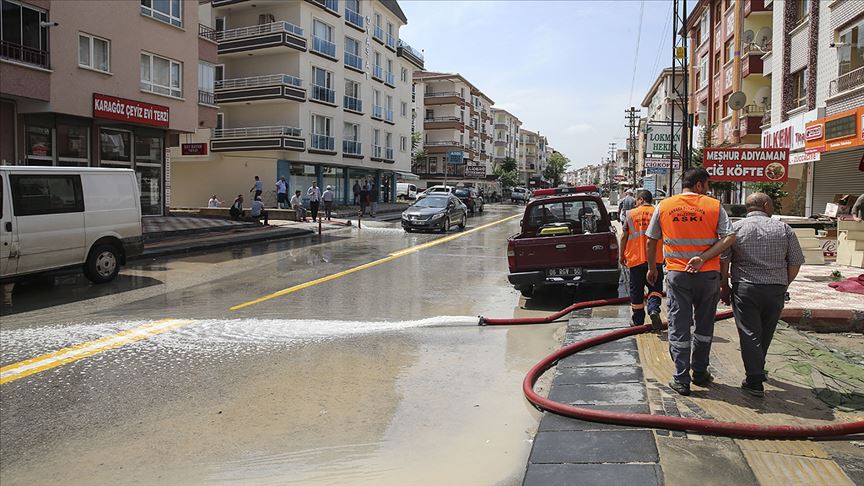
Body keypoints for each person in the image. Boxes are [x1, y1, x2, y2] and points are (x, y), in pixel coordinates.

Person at [646, 168, 736, 396]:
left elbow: (651, 240)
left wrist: (652, 268)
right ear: (698, 185)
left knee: (679, 324)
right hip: (708, 275)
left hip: (677, 275)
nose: (708, 189)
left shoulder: (664, 206)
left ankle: (681, 378)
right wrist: (704, 258)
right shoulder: (714, 206)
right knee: (704, 325)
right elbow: (729, 237)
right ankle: (700, 371)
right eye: (706, 184)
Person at [720, 193, 805, 397]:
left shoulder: (736, 229)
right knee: (766, 332)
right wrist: (784, 283)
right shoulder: (784, 229)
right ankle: (757, 369)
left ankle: (754, 379)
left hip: (746, 288)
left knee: (749, 332)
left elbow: (724, 261)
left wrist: (724, 285)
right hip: (775, 289)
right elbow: (795, 262)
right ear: (766, 206)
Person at [619, 190, 664, 329]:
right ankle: (653, 309)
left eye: (636, 200)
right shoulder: (658, 213)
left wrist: (621, 255)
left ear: (641, 199)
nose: (635, 203)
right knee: (655, 287)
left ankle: (638, 321)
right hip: (655, 259)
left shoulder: (631, 214)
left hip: (636, 259)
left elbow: (624, 236)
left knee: (637, 290)